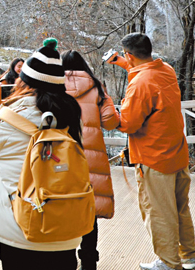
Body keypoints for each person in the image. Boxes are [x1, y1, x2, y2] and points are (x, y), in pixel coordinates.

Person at [0, 39, 85, 270]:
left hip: (22, 232)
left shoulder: (8, 121)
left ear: (24, 83)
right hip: (67, 230)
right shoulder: (70, 115)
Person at [115, 33, 195, 270]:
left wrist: (108, 116)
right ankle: (189, 258)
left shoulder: (141, 83)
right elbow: (146, 77)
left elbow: (129, 123)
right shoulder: (166, 71)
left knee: (160, 214)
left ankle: (169, 263)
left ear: (129, 55)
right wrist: (126, 65)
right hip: (177, 153)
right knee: (180, 209)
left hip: (154, 158)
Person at [63, 50, 121, 270]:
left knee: (64, 205)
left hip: (62, 153)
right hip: (90, 155)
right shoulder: (96, 87)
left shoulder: (54, 86)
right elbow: (110, 122)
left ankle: (66, 257)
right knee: (89, 208)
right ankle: (89, 260)